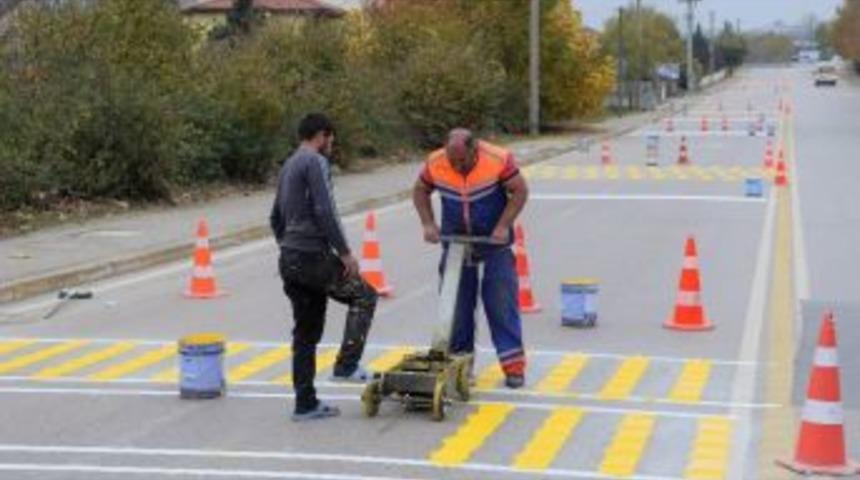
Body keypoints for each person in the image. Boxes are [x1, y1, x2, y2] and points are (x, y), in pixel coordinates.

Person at [270, 113, 378, 421]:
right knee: (365, 295)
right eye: (331, 139)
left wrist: (288, 247)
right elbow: (325, 210)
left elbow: (275, 218)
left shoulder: (289, 164)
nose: (332, 145)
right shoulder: (315, 162)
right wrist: (345, 254)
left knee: (305, 333)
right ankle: (346, 365)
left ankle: (305, 404)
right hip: (313, 256)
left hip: (290, 258)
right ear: (322, 135)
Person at [412, 128, 529, 388]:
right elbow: (420, 190)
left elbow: (520, 191)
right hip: (456, 241)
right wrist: (428, 224)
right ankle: (461, 367)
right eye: (452, 161)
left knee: (500, 302)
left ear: (475, 149)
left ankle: (513, 367)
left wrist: (503, 226)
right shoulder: (436, 162)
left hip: (493, 241)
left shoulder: (498, 159)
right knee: (456, 306)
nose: (457, 165)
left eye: (462, 160)